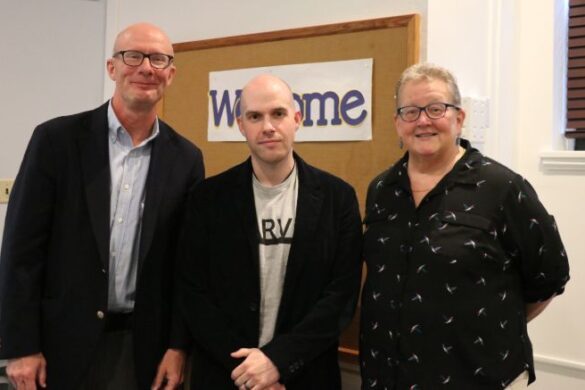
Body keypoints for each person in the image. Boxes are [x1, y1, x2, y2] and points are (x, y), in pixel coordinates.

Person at [0, 23, 205, 389]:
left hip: (140, 349)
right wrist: (20, 347)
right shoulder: (56, 141)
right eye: (133, 56)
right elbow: (20, 251)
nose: (146, 68)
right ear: (112, 68)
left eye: (158, 59)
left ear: (170, 74)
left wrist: (178, 346)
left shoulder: (186, 159)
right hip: (57, 347)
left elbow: (185, 267)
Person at [359, 62, 570, 389]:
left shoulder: (502, 188)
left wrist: (482, 326)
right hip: (388, 375)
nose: (424, 120)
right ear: (397, 123)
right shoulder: (381, 190)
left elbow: (549, 275)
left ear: (459, 117)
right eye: (411, 111)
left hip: (477, 376)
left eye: (436, 108)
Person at [176, 74, 362, 389]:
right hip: (227, 374)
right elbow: (193, 292)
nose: (268, 126)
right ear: (240, 124)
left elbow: (340, 296)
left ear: (297, 118)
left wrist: (278, 361)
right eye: (255, 116)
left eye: (278, 113)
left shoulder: (337, 198)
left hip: (305, 375)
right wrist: (249, 371)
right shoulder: (207, 199)